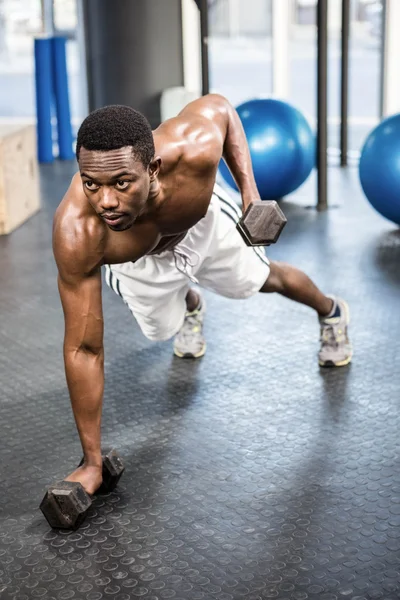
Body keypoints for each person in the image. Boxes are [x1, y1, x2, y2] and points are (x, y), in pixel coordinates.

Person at [53, 94, 352, 494]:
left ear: (153, 168)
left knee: (263, 279)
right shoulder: (79, 232)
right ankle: (190, 303)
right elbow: (84, 349)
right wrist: (92, 463)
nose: (106, 201)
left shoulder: (191, 145)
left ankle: (331, 311)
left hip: (202, 227)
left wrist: (250, 194)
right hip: (140, 262)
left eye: (122, 182)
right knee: (161, 330)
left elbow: (224, 110)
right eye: (91, 184)